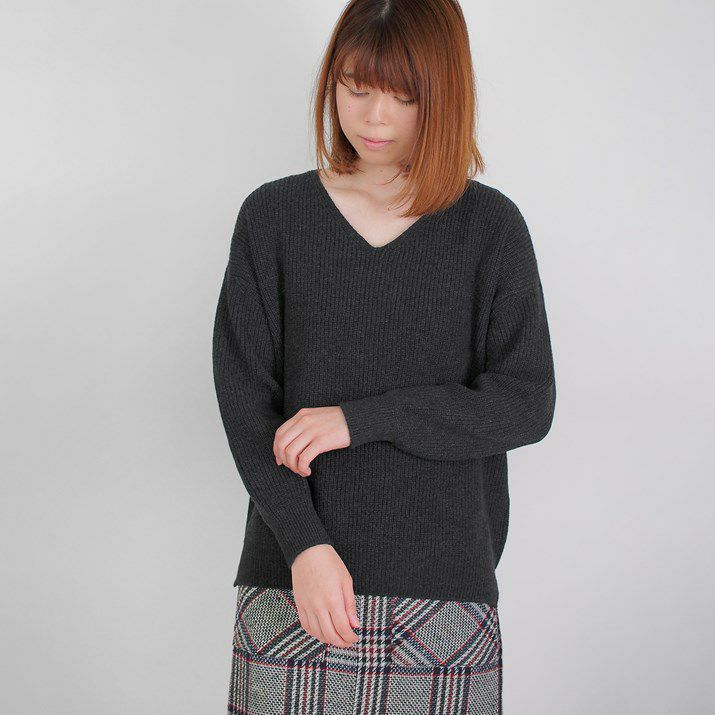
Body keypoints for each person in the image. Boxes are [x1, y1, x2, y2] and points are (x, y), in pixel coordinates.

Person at [212, 1, 556, 712]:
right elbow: (246, 404)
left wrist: (359, 419)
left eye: (404, 96)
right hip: (294, 585)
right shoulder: (273, 218)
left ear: (445, 96)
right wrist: (304, 546)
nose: (373, 117)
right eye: (356, 87)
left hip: (443, 602)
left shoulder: (489, 228)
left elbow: (526, 403)